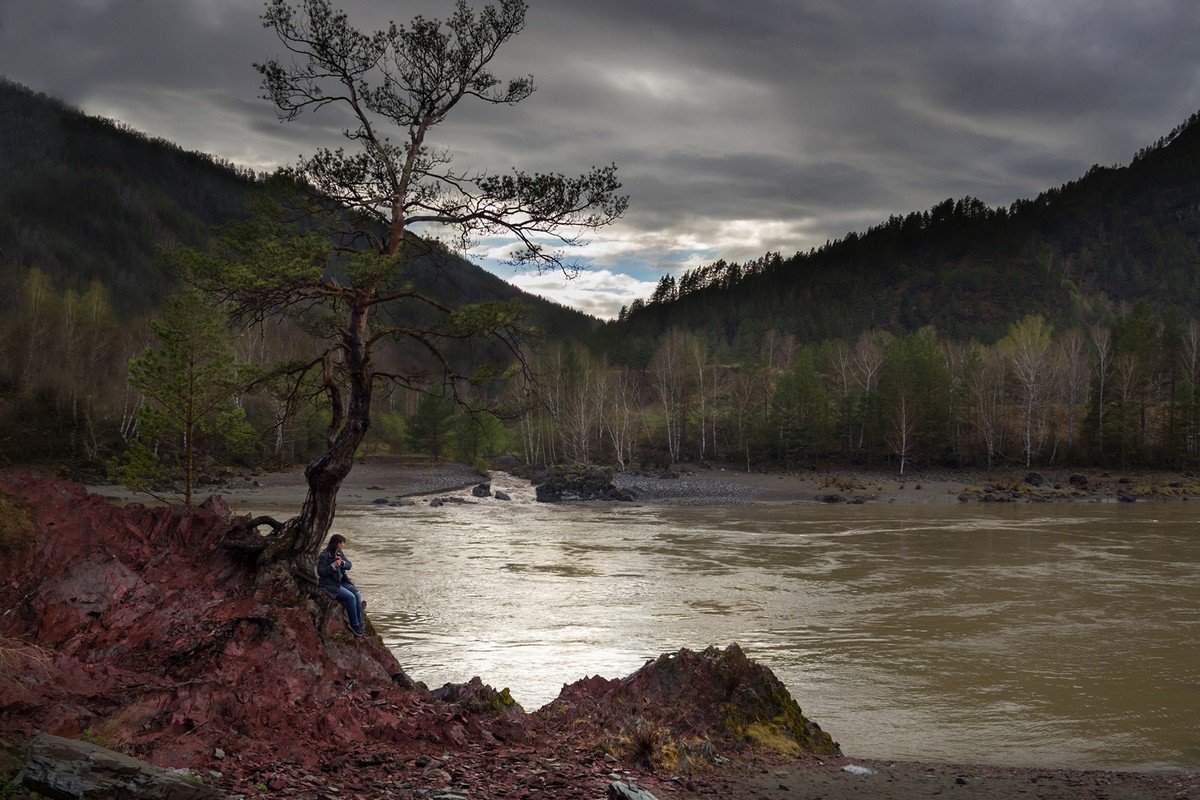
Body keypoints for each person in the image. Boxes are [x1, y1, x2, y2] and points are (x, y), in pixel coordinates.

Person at [316, 533, 366, 636]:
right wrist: (333, 565)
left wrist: (342, 563)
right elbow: (321, 572)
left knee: (357, 594)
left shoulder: (339, 553)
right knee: (351, 597)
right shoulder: (324, 555)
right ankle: (354, 625)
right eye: (343, 543)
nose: (344, 546)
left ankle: (360, 622)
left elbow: (349, 565)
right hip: (329, 584)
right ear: (338, 544)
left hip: (341, 581)